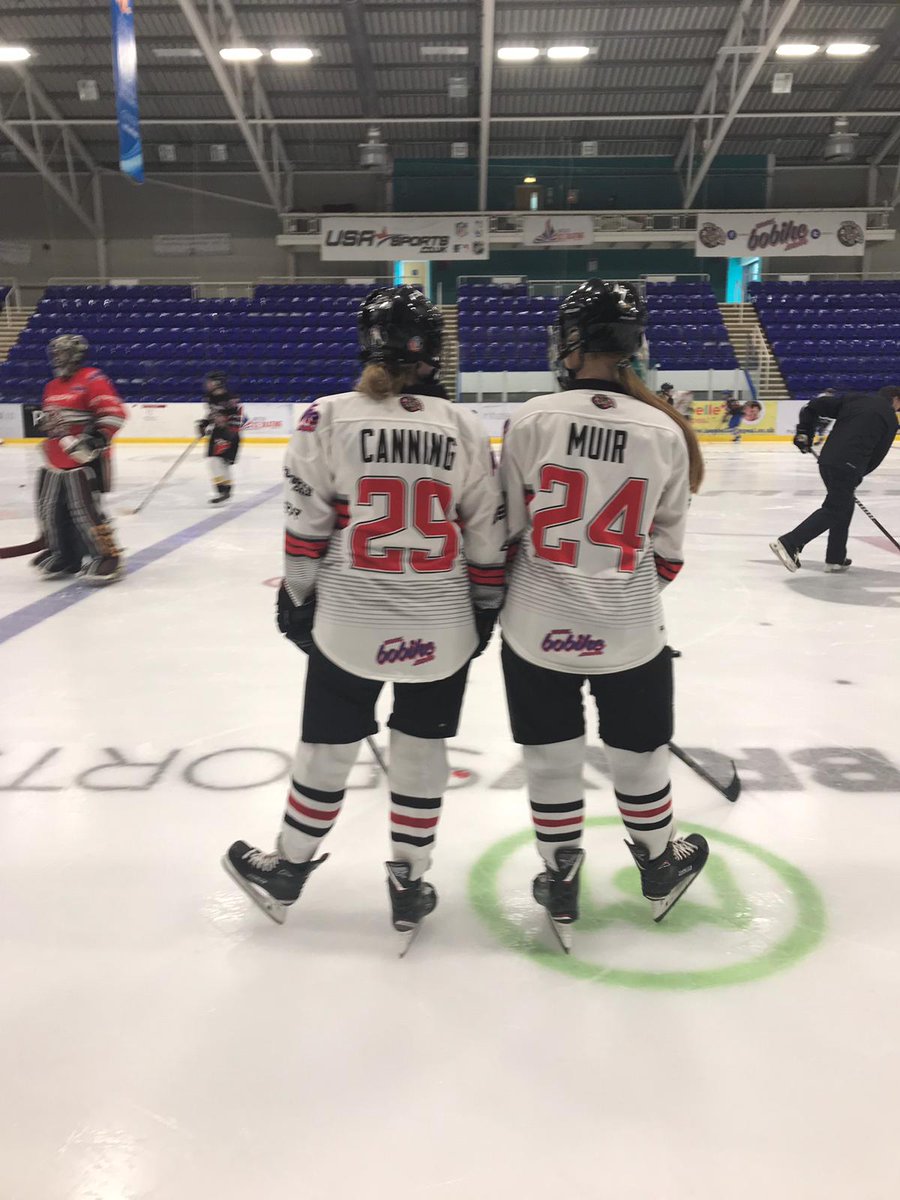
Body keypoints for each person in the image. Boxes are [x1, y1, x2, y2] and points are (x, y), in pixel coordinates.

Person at [223, 286, 506, 944]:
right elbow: (486, 536)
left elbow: (305, 528)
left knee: (327, 746)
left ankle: (288, 868)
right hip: (441, 623)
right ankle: (409, 880)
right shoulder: (464, 426)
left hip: (349, 620)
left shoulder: (325, 418)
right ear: (434, 354)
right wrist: (486, 607)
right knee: (423, 747)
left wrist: (297, 597)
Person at [499, 279, 709, 948]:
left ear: (570, 342)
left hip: (535, 625)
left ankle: (560, 875)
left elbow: (506, 531)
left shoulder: (531, 418)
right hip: (629, 630)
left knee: (549, 758)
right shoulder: (666, 430)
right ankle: (660, 863)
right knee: (640, 756)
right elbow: (668, 553)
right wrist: (621, 600)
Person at [771, 384, 900, 573]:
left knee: (844, 506)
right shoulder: (890, 418)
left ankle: (835, 557)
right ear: (895, 399)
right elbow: (877, 456)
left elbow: (811, 407)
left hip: (827, 460)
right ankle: (790, 542)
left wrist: (804, 433)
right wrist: (857, 475)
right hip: (849, 466)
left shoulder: (855, 399)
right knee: (835, 509)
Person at [32, 334, 127, 584]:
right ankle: (65, 554)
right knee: (51, 510)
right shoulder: (51, 386)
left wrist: (97, 437)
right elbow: (51, 419)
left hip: (84, 460)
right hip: (55, 461)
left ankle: (108, 555)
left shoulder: (92, 378)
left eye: (62, 353)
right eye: (55, 354)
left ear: (75, 355)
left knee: (85, 511)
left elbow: (114, 413)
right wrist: (46, 424)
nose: (57, 358)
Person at [197, 370, 243, 504]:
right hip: (217, 432)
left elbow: (236, 417)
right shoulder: (210, 397)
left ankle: (223, 489)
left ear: (217, 383)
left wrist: (230, 434)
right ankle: (226, 489)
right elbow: (212, 414)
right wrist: (204, 424)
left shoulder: (230, 398)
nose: (207, 384)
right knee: (219, 461)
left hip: (228, 433)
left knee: (216, 461)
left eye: (210, 382)